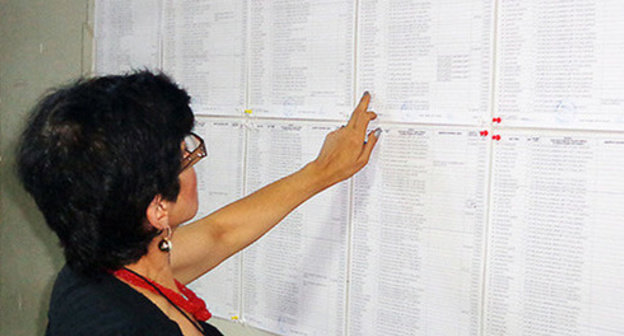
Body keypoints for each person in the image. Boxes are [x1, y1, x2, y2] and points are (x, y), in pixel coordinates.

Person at [16, 71, 380, 336]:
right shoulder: (122, 323)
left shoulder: (100, 270)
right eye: (185, 156)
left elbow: (220, 233)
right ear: (157, 209)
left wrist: (321, 172)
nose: (194, 158)